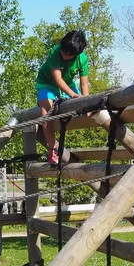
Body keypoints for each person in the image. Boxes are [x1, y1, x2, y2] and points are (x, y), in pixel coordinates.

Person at [36, 30, 90, 165]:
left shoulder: (82, 59)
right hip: (47, 83)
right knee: (46, 113)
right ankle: (52, 148)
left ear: (76, 54)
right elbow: (58, 79)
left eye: (67, 53)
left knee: (85, 107)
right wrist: (72, 95)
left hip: (69, 84)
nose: (63, 54)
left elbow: (84, 83)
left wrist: (87, 101)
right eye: (63, 51)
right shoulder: (55, 52)